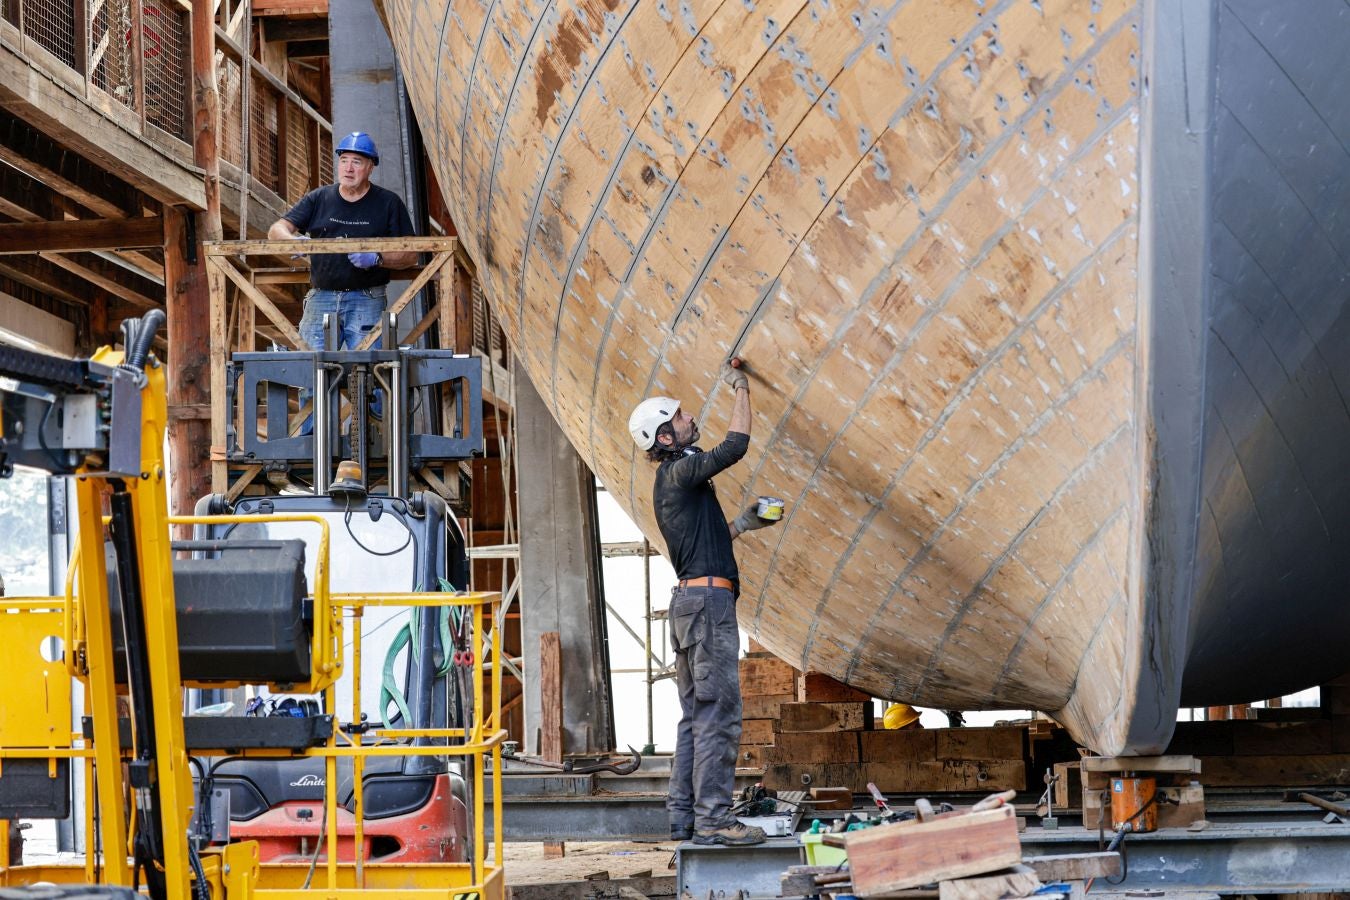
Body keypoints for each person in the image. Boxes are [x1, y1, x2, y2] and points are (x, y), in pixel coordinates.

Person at [628, 360, 781, 847]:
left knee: (697, 715)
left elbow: (706, 544)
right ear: (666, 439)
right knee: (719, 713)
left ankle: (685, 819)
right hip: (707, 609)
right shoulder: (679, 472)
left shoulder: (677, 487)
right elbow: (735, 446)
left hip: (691, 603)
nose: (688, 416)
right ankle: (714, 820)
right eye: (677, 417)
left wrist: (743, 524)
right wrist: (742, 387)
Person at [268, 131, 418, 351]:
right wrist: (294, 241)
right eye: (344, 160)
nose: (348, 168)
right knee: (310, 371)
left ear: (370, 167)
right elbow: (276, 230)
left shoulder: (388, 203)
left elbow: (412, 253)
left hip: (367, 298)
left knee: (372, 372)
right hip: (322, 297)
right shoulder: (319, 198)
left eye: (356, 162)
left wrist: (377, 258)